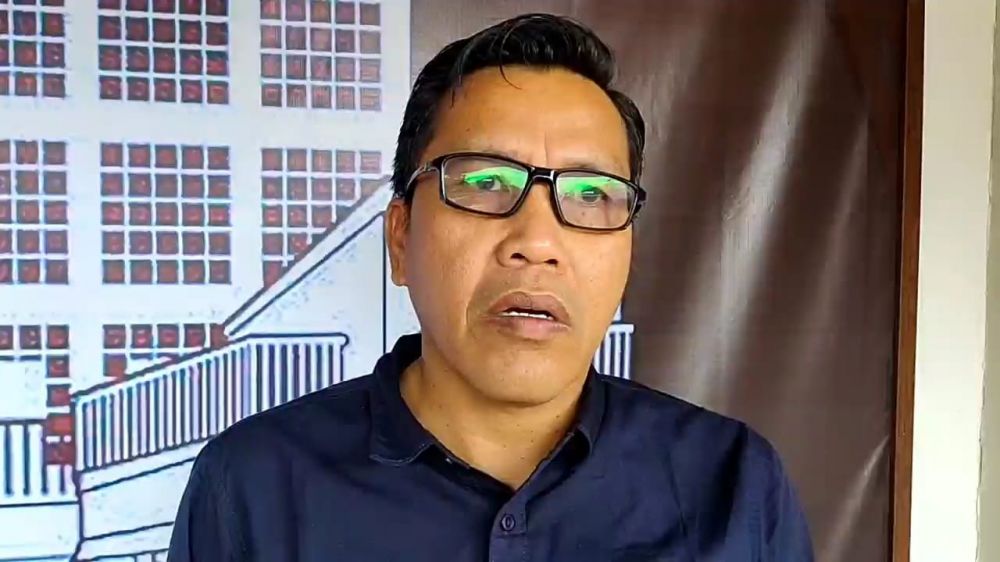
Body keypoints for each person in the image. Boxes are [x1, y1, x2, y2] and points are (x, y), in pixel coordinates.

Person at [167, 13, 813, 561]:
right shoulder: (252, 490)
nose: (536, 240)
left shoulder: (734, 487)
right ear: (401, 237)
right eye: (484, 183)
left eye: (591, 195)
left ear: (628, 253)